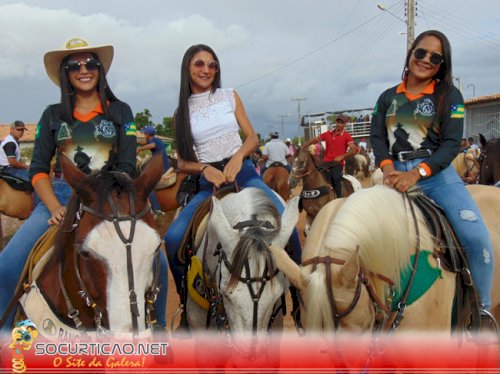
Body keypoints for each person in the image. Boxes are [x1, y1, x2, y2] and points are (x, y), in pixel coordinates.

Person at [0, 37, 168, 330]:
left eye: (90, 63)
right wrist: (52, 206)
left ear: (100, 69)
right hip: (62, 196)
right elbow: (39, 169)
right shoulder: (51, 115)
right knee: (7, 266)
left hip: (110, 200)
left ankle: (159, 330)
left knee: (158, 264)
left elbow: (128, 165)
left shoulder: (121, 112)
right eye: (73, 65)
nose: (83, 70)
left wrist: (109, 198)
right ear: (65, 74)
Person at [370, 30, 494, 318]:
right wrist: (388, 170)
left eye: (435, 57)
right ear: (411, 53)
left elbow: (452, 144)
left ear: (443, 64)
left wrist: (416, 174)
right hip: (392, 174)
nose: (426, 60)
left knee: (476, 238)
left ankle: (482, 311)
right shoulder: (387, 97)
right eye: (421, 52)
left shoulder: (449, 96)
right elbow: (377, 137)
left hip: (436, 176)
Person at [165, 44, 302, 296]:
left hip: (245, 174)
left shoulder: (230, 95)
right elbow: (182, 162)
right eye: (200, 64)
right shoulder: (180, 113)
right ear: (187, 67)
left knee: (288, 227)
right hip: (210, 184)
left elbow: (251, 138)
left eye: (212, 64)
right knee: (173, 239)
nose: (207, 70)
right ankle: (186, 302)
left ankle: (299, 295)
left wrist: (239, 156)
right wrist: (204, 168)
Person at [302, 114, 357, 197]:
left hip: (337, 163)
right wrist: (304, 146)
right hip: (325, 163)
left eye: (341, 123)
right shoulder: (328, 134)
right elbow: (315, 139)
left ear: (344, 124)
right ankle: (304, 196)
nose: (339, 124)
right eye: (338, 122)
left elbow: (353, 150)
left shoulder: (347, 136)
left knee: (335, 178)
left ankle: (339, 198)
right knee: (312, 174)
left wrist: (342, 156)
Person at [137, 125, 170, 212]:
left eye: (144, 134)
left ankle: (156, 209)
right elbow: (144, 143)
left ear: (148, 135)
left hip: (162, 168)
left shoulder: (154, 141)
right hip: (163, 166)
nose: (144, 135)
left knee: (148, 186)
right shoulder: (156, 140)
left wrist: (140, 149)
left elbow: (152, 145)